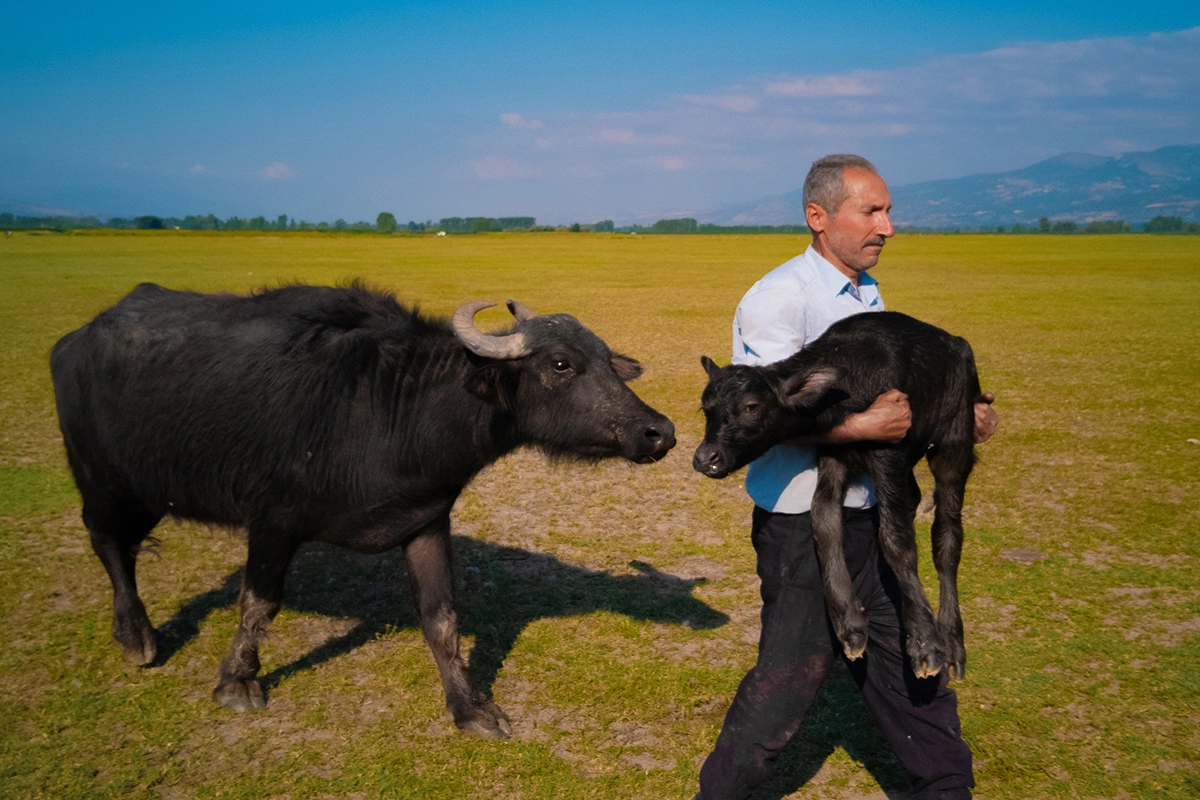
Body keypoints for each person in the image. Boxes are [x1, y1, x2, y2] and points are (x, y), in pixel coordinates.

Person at [696, 154, 999, 800]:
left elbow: (886, 399)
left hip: (873, 517)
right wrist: (862, 431)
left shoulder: (864, 293)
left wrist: (957, 412)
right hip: (802, 528)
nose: (888, 226)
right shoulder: (779, 298)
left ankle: (947, 789)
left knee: (911, 669)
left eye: (888, 211)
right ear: (818, 216)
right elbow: (757, 416)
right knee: (788, 684)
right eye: (872, 211)